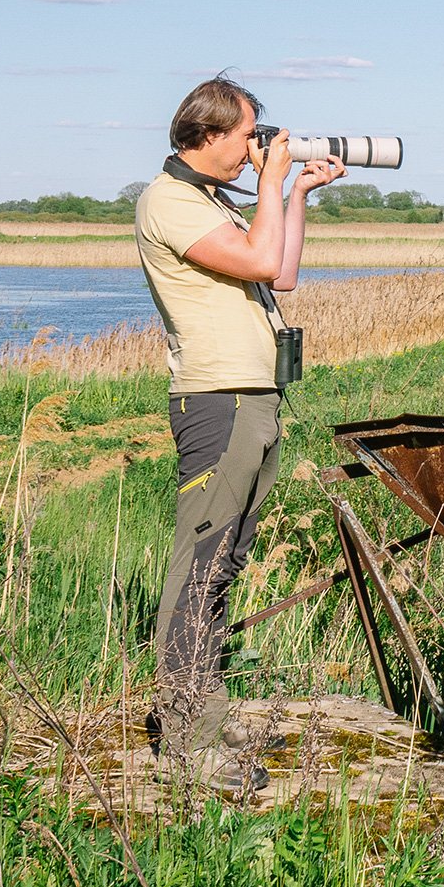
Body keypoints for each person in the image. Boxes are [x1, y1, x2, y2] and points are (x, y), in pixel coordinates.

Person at [136, 76, 345, 783]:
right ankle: (188, 747)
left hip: (252, 397)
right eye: (249, 135)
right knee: (199, 568)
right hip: (217, 400)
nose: (256, 147)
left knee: (221, 566)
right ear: (211, 132)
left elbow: (278, 274)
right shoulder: (168, 200)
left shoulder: (209, 200)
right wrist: (271, 184)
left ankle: (200, 725)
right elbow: (258, 259)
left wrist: (293, 195)